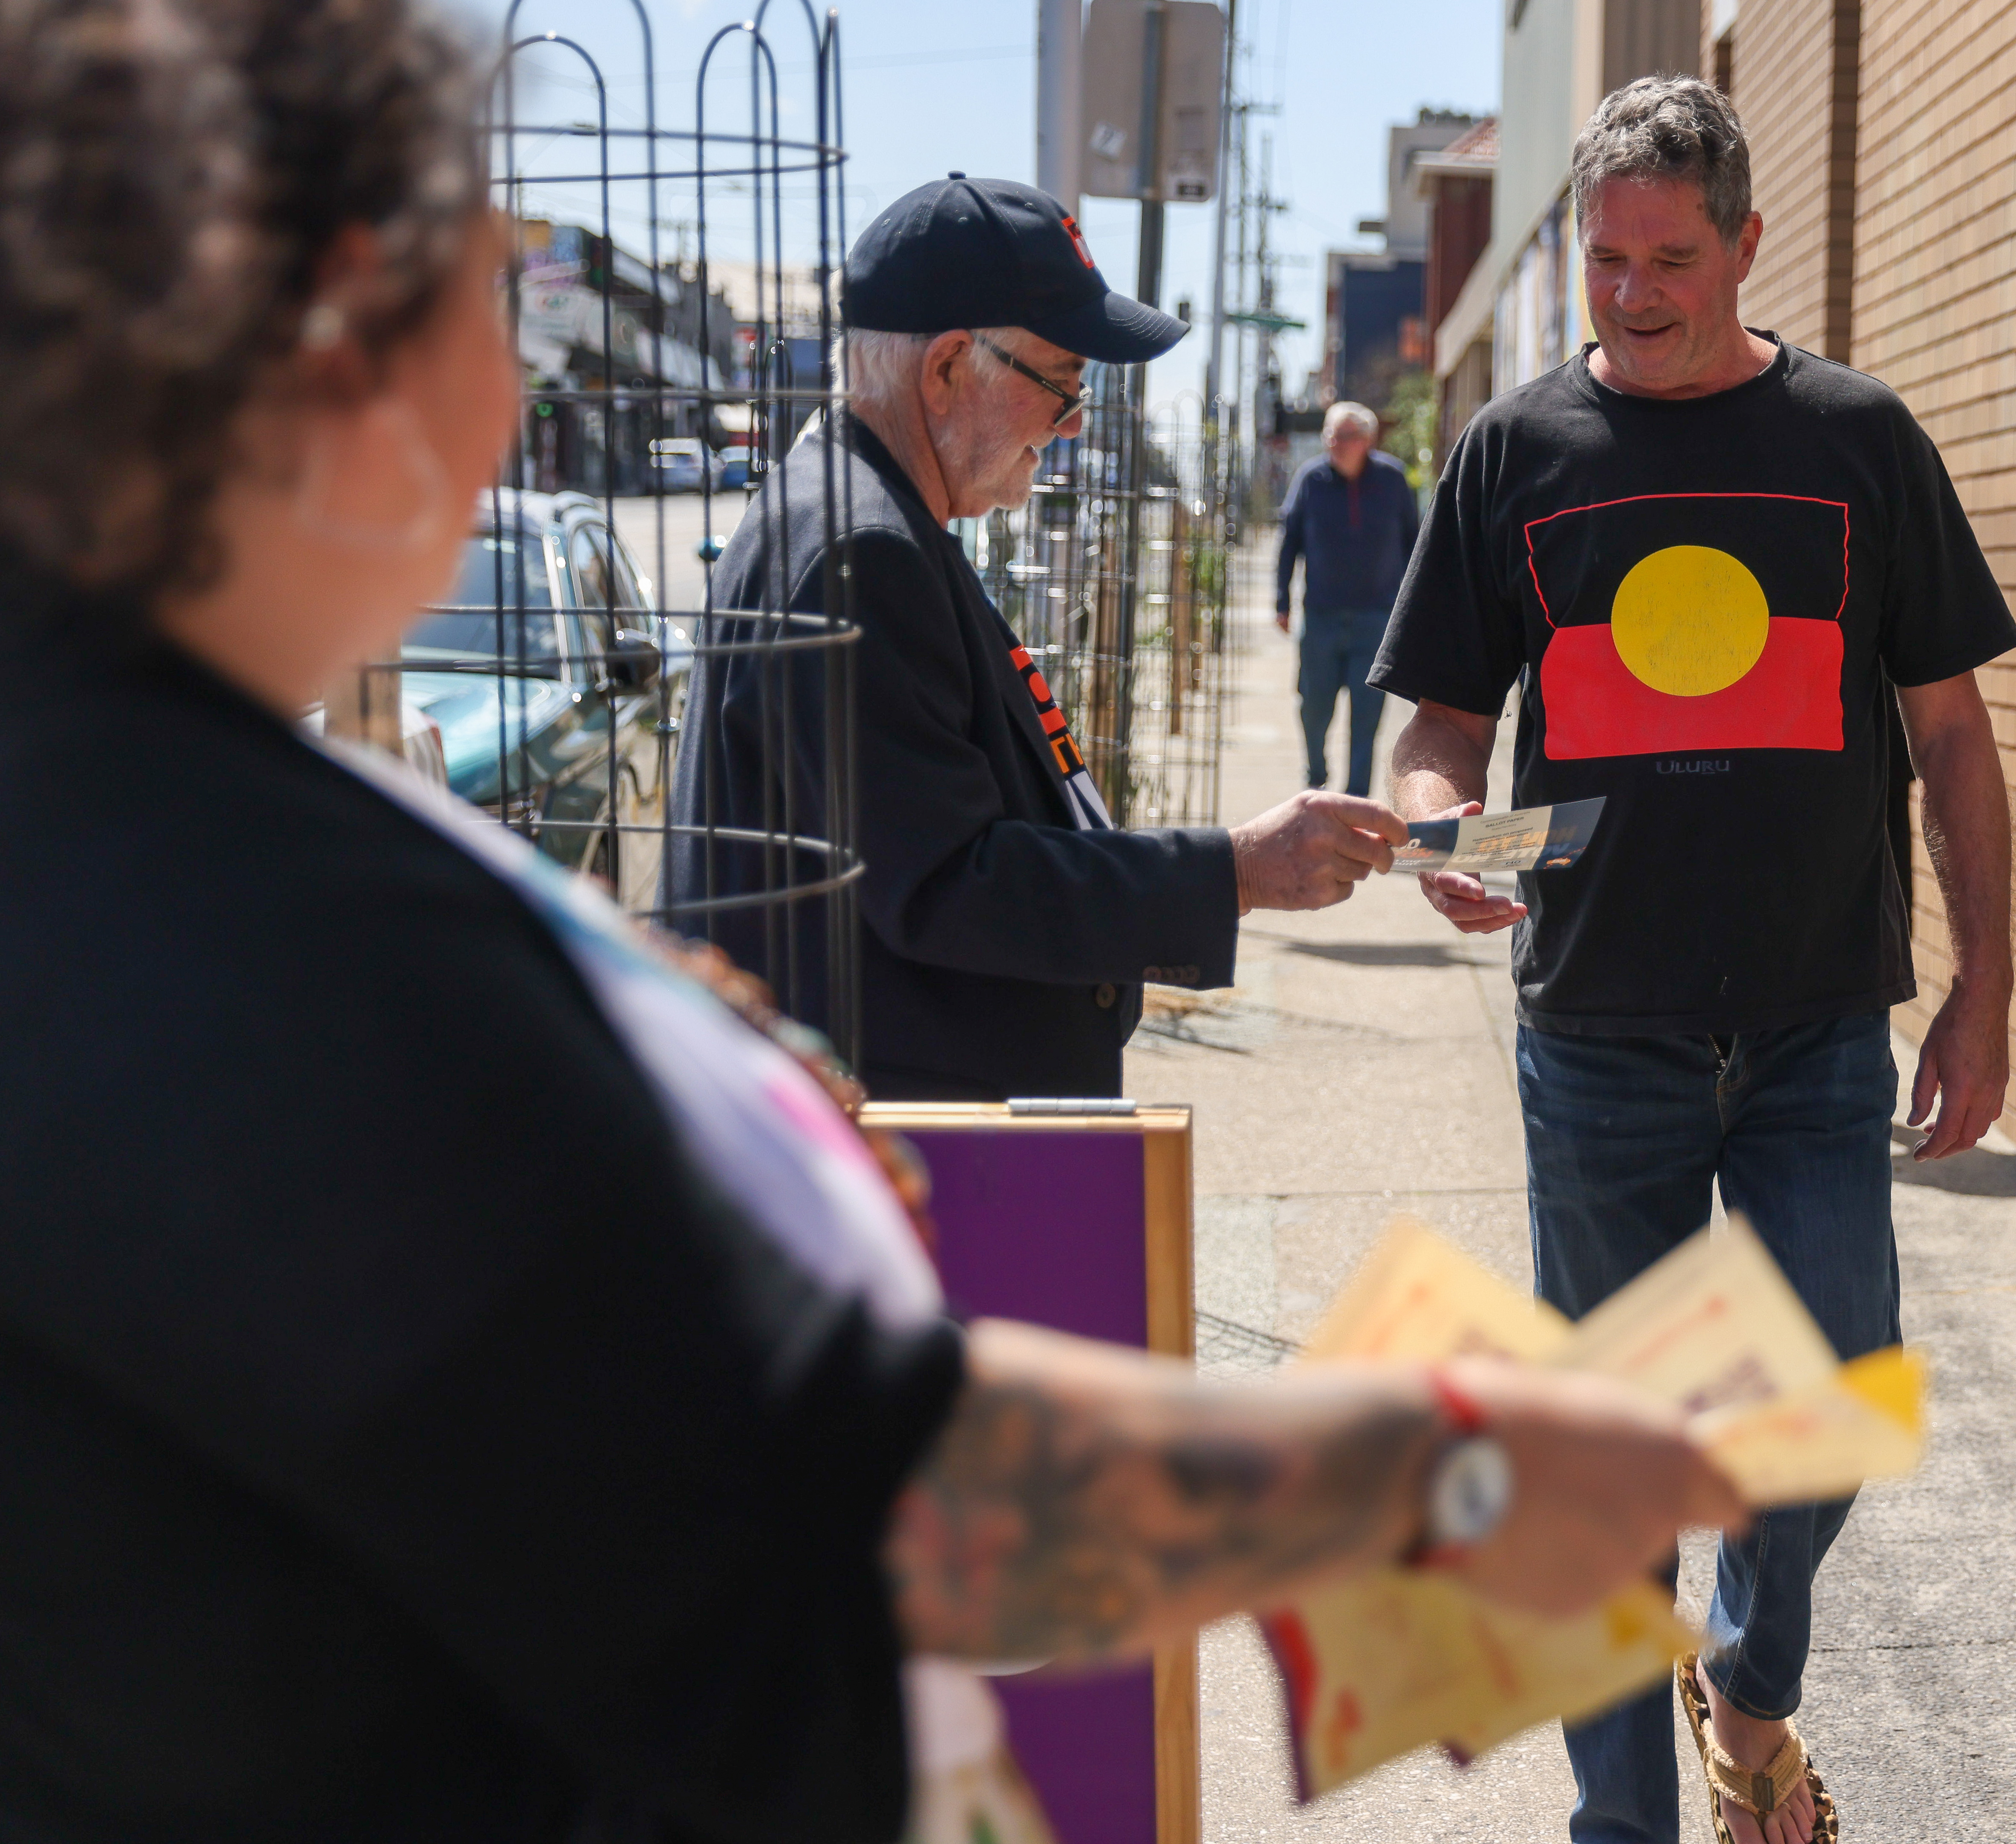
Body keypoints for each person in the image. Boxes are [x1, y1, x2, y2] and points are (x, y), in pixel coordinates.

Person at [0, 6, 1750, 1838]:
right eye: (492, 278)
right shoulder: (239, 926)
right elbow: (889, 1490)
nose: (522, 374)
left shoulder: (147, 789)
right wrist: (1429, 1480)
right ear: (338, 319)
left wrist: (677, 1045)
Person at [1373, 77, 2016, 1844]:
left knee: (1827, 1397)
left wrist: (1986, 985)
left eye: (1670, 257)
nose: (1633, 293)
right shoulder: (1514, 452)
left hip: (1817, 1021)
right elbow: (1435, 727)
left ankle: (1745, 1683)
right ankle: (1626, 1822)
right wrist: (1439, 828)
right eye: (1604, 260)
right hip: (1596, 1030)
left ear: (1745, 243)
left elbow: (1951, 737)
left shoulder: (1857, 439)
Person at [670, 174, 1410, 1102]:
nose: (1072, 422)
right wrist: (1233, 871)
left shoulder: (865, 517)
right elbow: (951, 882)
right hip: (912, 1144)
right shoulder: (860, 549)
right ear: (945, 368)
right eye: (1060, 382)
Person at [1273, 399, 1420, 797]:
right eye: (1330, 436)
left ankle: (1356, 800)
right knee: (1313, 707)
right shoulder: (1310, 479)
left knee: (1367, 718)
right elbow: (1290, 542)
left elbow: (1415, 543)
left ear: (1368, 440)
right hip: (1321, 616)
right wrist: (1281, 600)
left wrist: (1416, 608)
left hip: (1377, 620)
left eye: (1345, 436)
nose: (1335, 443)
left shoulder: (1393, 479)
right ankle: (1316, 776)